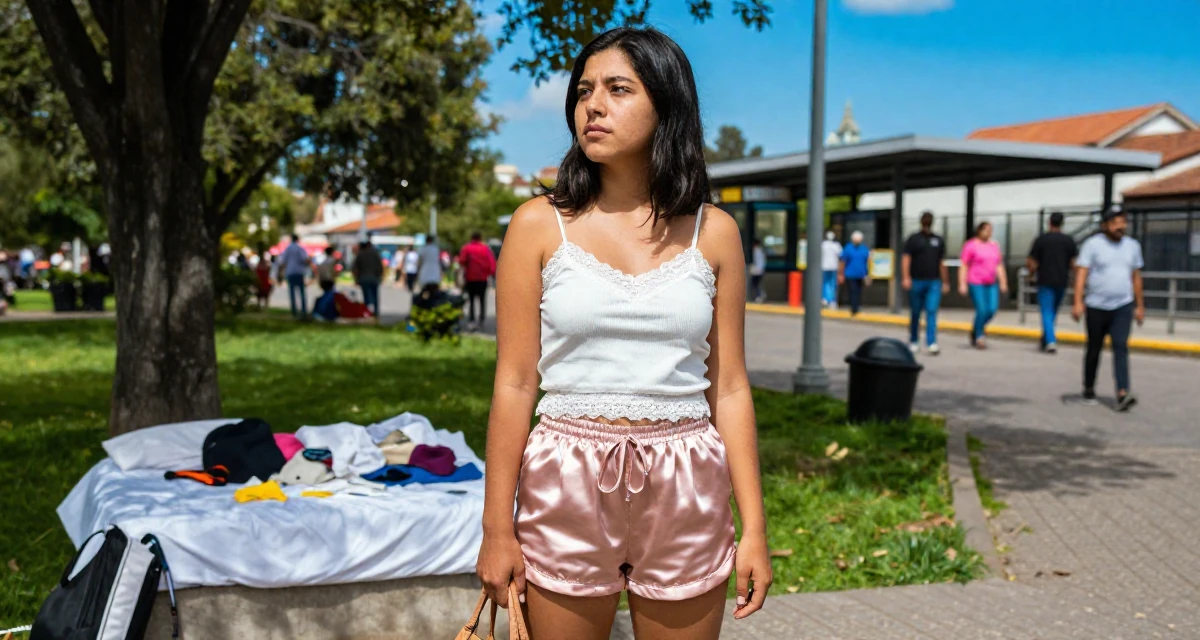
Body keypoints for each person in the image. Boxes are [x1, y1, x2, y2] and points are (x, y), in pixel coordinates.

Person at [476, 27, 771, 639]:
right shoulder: (537, 225)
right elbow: (514, 381)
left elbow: (732, 389)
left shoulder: (714, 233)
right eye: (584, 90)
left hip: (687, 482)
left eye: (618, 89)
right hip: (566, 480)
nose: (593, 105)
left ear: (667, 104)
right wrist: (496, 529)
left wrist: (756, 530)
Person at [1072, 205, 1144, 411]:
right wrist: (1078, 301)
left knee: (1121, 346)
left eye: (1123, 222)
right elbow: (1081, 274)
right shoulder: (1092, 245)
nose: (1120, 226)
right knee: (1094, 348)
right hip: (1096, 305)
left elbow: (1136, 276)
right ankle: (1088, 387)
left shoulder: (1132, 246)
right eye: (1115, 222)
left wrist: (1140, 305)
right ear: (1105, 226)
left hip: (1123, 304)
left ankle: (1122, 392)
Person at [1027, 212, 1078, 353]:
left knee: (1047, 311)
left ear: (1049, 222)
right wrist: (1076, 279)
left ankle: (1049, 340)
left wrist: (1031, 275)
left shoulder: (1041, 239)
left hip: (1044, 280)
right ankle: (1047, 338)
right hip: (1062, 280)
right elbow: (1074, 263)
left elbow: (1032, 261)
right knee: (1053, 311)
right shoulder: (1069, 240)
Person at [902, 211, 949, 355]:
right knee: (916, 312)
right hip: (916, 280)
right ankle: (914, 340)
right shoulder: (913, 239)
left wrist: (945, 281)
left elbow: (942, 262)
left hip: (933, 281)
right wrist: (906, 277)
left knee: (931, 311)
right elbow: (906, 259)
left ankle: (931, 342)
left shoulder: (938, 240)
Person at [958, 222, 1008, 349]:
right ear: (979, 231)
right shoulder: (970, 245)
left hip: (991, 283)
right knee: (982, 309)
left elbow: (999, 265)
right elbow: (964, 265)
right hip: (976, 282)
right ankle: (980, 336)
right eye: (986, 230)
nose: (988, 233)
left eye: (990, 230)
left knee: (991, 309)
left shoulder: (994, 246)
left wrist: (1003, 281)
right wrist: (962, 283)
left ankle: (976, 328)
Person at [458, 231, 498, 331]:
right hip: (482, 278)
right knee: (482, 299)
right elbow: (492, 263)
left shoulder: (467, 248)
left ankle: (472, 318)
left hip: (470, 278)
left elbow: (461, 261)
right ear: (480, 238)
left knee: (471, 299)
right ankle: (481, 318)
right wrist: (491, 274)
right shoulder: (485, 249)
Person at [839, 230, 871, 315]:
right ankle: (854, 308)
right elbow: (842, 261)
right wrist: (841, 274)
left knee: (858, 291)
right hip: (850, 274)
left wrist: (868, 274)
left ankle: (856, 307)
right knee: (853, 291)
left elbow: (868, 261)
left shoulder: (864, 249)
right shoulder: (848, 248)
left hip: (861, 274)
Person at [280, 234, 312, 318]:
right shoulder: (300, 249)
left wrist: (281, 273)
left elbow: (283, 261)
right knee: (301, 293)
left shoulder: (287, 249)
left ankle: (294, 311)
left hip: (290, 272)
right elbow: (305, 259)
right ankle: (303, 310)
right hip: (299, 272)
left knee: (292, 293)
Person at [352, 239, 384, 319]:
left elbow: (355, 268)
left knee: (366, 296)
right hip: (374, 278)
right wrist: (380, 276)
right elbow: (380, 267)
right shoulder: (375, 254)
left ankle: (367, 312)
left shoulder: (360, 254)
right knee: (375, 296)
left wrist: (356, 279)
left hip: (363, 278)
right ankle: (375, 312)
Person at [820, 231, 842, 309]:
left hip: (825, 266)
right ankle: (830, 300)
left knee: (825, 283)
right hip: (832, 266)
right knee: (831, 284)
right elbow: (840, 255)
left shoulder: (823, 245)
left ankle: (826, 299)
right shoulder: (836, 245)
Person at [749, 239, 766, 303]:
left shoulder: (756, 251)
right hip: (760, 270)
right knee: (757, 284)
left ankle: (760, 295)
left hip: (757, 271)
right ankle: (761, 294)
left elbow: (757, 262)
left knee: (755, 284)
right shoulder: (760, 251)